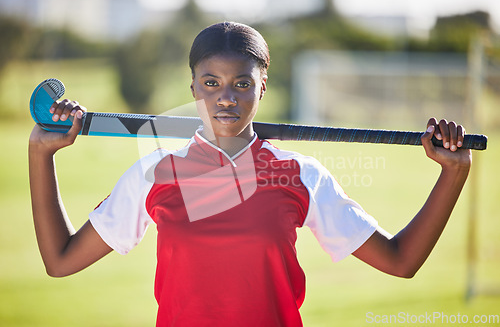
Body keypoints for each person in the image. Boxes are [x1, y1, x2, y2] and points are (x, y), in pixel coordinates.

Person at [29, 22, 471, 326]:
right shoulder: (154, 174)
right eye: (210, 83)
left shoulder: (299, 174)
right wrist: (40, 154)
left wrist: (453, 173)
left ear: (262, 87)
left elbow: (400, 261)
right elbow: (61, 260)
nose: (226, 98)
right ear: (193, 87)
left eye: (241, 83)